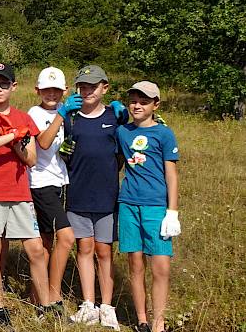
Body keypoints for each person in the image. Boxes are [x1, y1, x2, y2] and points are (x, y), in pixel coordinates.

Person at [43, 65, 126, 329]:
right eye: (83, 86)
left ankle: (107, 306)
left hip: (106, 196)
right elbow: (62, 151)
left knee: (104, 251)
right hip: (78, 194)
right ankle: (89, 304)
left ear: (105, 87)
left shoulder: (116, 117)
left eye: (93, 85)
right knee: (84, 249)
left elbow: (128, 148)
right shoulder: (71, 118)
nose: (88, 90)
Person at [0, 63, 53, 326]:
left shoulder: (23, 118)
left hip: (19, 192)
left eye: (3, 84)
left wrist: (18, 143)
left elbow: (30, 160)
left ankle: (45, 304)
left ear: (13, 87)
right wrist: (9, 137)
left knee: (36, 249)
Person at [117, 81, 180, 332]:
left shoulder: (164, 133)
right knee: (135, 262)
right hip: (129, 203)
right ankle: (142, 319)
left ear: (156, 104)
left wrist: (172, 211)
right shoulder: (123, 132)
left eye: (144, 101)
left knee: (161, 265)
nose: (137, 105)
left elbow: (171, 175)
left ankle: (158, 321)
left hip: (156, 206)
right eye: (133, 101)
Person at [27, 67, 75, 314]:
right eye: (47, 90)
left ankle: (36, 295)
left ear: (64, 91)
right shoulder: (34, 113)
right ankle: (53, 299)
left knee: (47, 240)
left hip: (61, 181)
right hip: (40, 182)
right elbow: (43, 143)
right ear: (38, 90)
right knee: (66, 238)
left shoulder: (71, 114)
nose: (52, 94)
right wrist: (61, 115)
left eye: (57, 90)